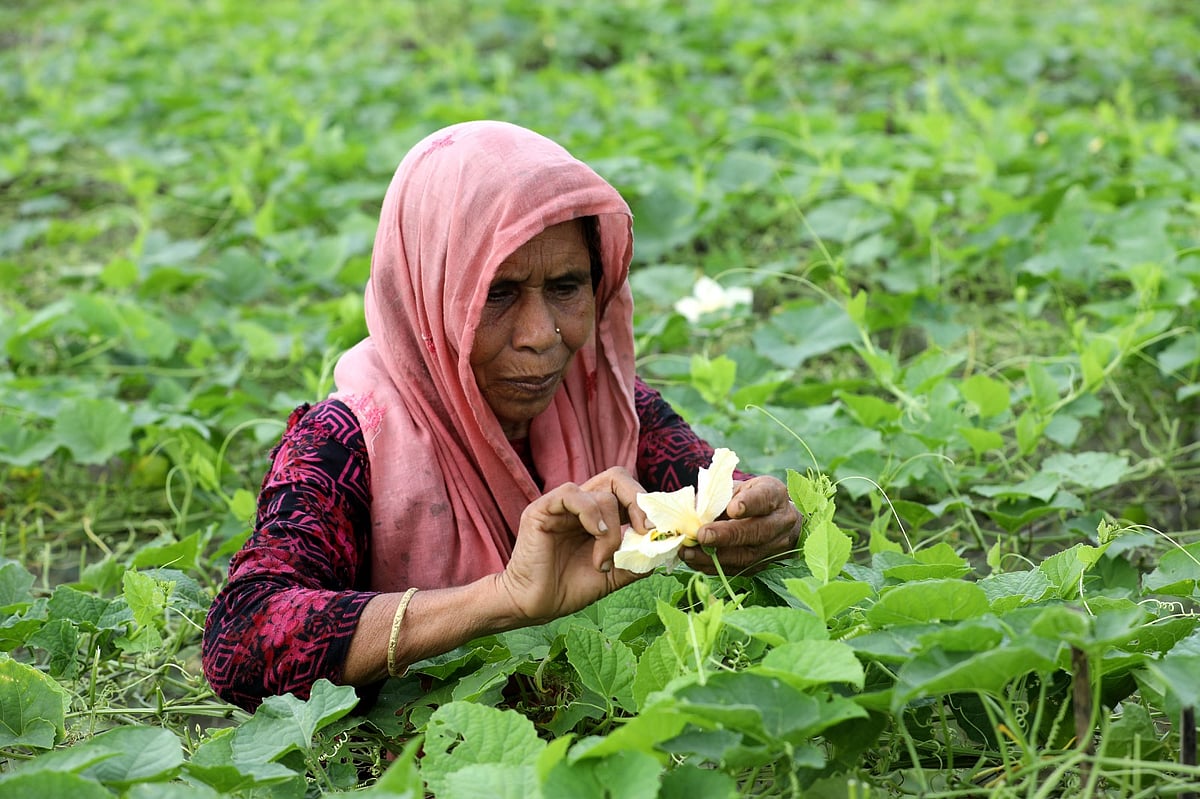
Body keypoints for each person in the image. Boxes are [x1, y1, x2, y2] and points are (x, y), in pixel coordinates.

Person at [202, 121, 801, 711]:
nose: (542, 337)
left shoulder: (607, 405)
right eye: (497, 293)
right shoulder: (348, 443)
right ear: (429, 292)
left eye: (568, 286)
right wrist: (502, 599)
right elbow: (241, 639)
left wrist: (755, 523)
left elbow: (717, 497)